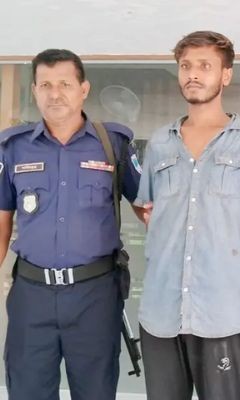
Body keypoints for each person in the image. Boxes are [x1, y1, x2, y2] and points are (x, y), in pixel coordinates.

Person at [134, 31, 240, 400]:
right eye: (185, 66)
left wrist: (235, 275)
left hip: (220, 312)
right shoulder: (160, 143)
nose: (193, 74)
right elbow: (146, 207)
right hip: (161, 310)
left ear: (226, 75)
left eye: (204, 66)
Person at [0, 49, 142, 400]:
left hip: (95, 295)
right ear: (34, 90)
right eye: (45, 85)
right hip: (32, 295)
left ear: (83, 89)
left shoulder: (113, 145)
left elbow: (150, 210)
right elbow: (1, 224)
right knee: (27, 391)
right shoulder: (13, 148)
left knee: (95, 392)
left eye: (64, 84)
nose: (55, 94)